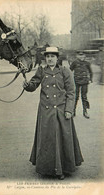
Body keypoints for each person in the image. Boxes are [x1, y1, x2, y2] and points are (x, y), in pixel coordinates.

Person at [23, 47, 84, 180]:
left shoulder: (64, 71)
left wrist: (69, 109)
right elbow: (33, 84)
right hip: (46, 111)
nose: (50, 59)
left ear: (57, 58)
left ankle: (63, 168)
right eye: (48, 56)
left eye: (53, 56)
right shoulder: (41, 71)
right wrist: (27, 85)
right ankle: (46, 168)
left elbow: (71, 92)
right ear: (45, 58)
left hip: (61, 111)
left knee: (62, 138)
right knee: (47, 139)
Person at [70, 51, 93, 119]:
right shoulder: (74, 63)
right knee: (75, 96)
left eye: (82, 56)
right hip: (76, 81)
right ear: (77, 56)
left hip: (85, 81)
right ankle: (73, 111)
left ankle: (85, 112)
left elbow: (90, 72)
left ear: (85, 56)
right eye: (80, 55)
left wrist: (90, 79)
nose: (81, 57)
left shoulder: (87, 63)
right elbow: (70, 70)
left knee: (84, 97)